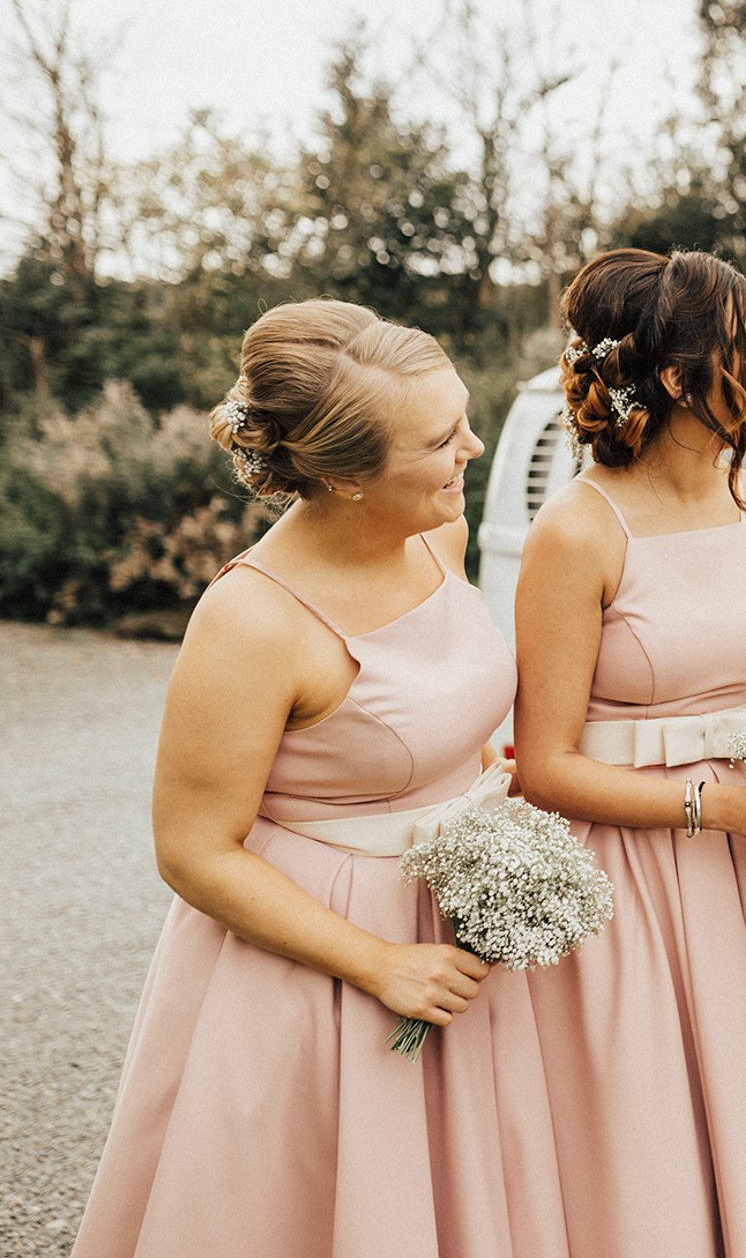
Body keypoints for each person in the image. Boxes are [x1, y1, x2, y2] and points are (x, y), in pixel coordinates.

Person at [73, 301, 568, 1258]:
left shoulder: (437, 539)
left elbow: (452, 723)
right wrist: (381, 963)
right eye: (439, 438)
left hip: (451, 934)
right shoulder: (252, 621)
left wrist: (484, 808)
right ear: (344, 477)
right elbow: (191, 849)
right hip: (317, 970)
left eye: (463, 416)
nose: (472, 445)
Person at [512, 248, 746, 1257]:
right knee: (648, 1137)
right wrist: (715, 809)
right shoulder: (578, 531)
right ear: (676, 377)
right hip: (633, 875)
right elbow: (542, 763)